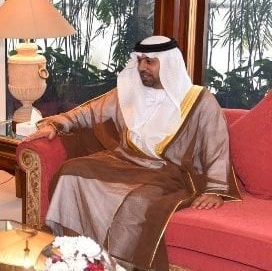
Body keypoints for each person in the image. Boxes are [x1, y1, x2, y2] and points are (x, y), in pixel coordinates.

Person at [24, 35, 240, 270]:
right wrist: (56, 124)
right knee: (71, 172)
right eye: (140, 61)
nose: (142, 68)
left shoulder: (200, 101)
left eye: (150, 62)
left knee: (137, 200)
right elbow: (88, 112)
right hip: (124, 160)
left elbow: (216, 144)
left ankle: (118, 264)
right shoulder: (130, 91)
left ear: (169, 64)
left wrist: (215, 190)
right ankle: (71, 252)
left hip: (166, 172)